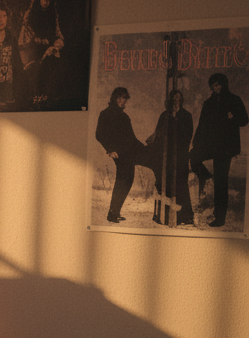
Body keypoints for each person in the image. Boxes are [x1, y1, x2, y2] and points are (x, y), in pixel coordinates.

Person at [189, 72, 248, 227]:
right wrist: (196, 142)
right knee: (193, 157)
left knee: (221, 181)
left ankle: (219, 217)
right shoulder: (208, 103)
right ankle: (207, 177)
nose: (215, 88)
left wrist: (232, 116)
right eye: (213, 85)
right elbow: (202, 124)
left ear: (224, 84)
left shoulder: (234, 100)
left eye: (218, 85)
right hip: (211, 144)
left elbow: (244, 120)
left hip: (226, 147)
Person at [95, 87, 152, 223]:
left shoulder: (124, 116)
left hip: (129, 151)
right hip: (119, 153)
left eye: (124, 98)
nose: (122, 101)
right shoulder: (105, 114)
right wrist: (110, 149)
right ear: (114, 98)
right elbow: (99, 134)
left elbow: (131, 138)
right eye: (120, 98)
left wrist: (143, 148)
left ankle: (114, 212)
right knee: (123, 180)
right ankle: (112, 213)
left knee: (127, 180)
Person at [146, 89, 194, 225]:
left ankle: (185, 217)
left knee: (181, 184)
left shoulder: (186, 115)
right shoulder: (164, 115)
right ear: (170, 100)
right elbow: (158, 133)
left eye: (178, 99)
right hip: (166, 155)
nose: (176, 101)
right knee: (165, 183)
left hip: (180, 155)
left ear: (181, 100)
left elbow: (188, 135)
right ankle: (165, 216)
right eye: (174, 99)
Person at [18, 0, 65, 108]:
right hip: (32, 52)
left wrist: (54, 46)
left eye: (48, 0)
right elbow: (25, 37)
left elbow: (58, 35)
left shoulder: (53, 17)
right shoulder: (29, 15)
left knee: (52, 64)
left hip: (48, 52)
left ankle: (47, 97)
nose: (45, 2)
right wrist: (37, 41)